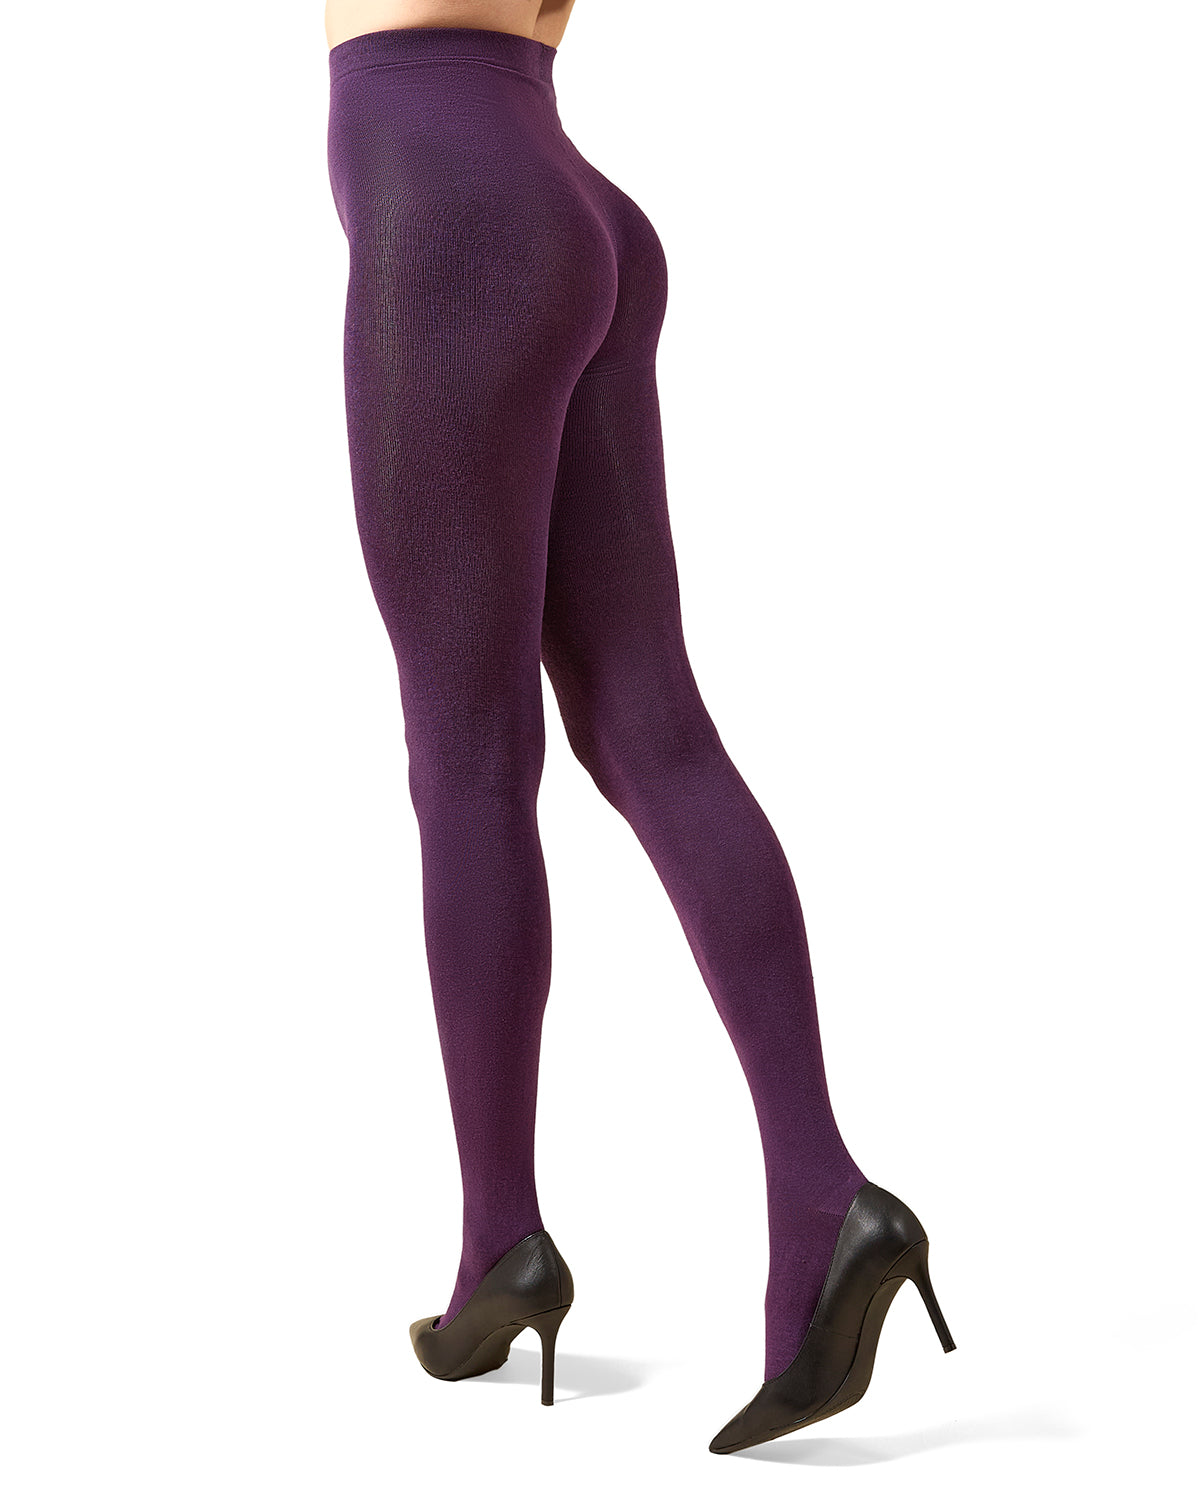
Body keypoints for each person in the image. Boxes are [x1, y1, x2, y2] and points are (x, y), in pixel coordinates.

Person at [324, 0, 954, 1452]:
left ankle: (502, 1241)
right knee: (652, 726)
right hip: (564, 190)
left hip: (453, 203)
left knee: (469, 756)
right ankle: (823, 1195)